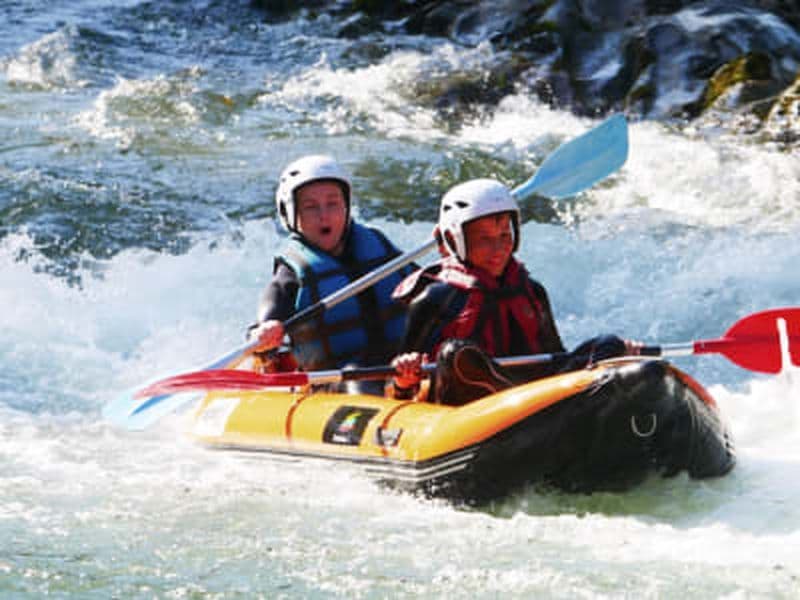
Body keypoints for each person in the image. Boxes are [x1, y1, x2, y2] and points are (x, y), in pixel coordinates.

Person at [390, 178, 636, 404]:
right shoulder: (436, 299)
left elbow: (557, 359)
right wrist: (404, 378)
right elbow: (393, 390)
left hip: (532, 398)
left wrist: (619, 357)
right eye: (484, 239)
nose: (498, 249)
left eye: (505, 235)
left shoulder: (531, 291)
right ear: (456, 240)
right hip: (467, 409)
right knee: (455, 353)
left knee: (608, 345)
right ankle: (507, 394)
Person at [247, 155, 414, 381]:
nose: (324, 215)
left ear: (346, 207)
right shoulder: (291, 271)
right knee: (357, 374)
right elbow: (270, 309)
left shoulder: (376, 243)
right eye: (310, 207)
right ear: (290, 214)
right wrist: (265, 331)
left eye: (332, 203)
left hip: (404, 367)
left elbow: (424, 284)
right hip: (337, 381)